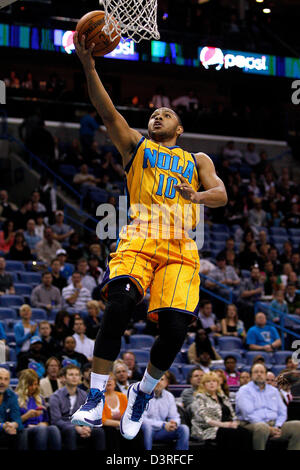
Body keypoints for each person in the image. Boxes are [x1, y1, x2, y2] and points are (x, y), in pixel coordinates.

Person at [71, 32, 227, 441]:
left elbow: (222, 194)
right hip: (140, 234)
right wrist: (89, 66)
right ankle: (94, 396)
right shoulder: (135, 147)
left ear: (180, 126)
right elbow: (107, 113)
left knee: (176, 329)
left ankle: (141, 394)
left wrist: (197, 194)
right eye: (153, 114)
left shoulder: (197, 159)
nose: (157, 116)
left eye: (166, 114)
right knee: (120, 303)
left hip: (180, 245)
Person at [235, 363, 300, 450]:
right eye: (256, 372)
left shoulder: (273, 391)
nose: (259, 374)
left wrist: (278, 426)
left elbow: (282, 412)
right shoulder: (244, 390)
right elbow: (248, 414)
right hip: (250, 424)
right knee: (262, 427)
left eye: (262, 372)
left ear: (265, 375)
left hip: (274, 424)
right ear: (251, 375)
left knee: (297, 426)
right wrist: (269, 428)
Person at [49, 365, 105, 450]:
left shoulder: (84, 395)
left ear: (80, 377)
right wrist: (75, 427)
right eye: (71, 375)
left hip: (82, 426)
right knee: (70, 431)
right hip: (65, 428)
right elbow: (56, 420)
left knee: (99, 431)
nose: (74, 377)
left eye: (76, 375)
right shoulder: (55, 396)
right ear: (64, 378)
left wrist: (87, 427)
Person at [190, 372, 251, 449]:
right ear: (204, 384)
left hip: (226, 426)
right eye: (208, 381)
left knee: (245, 432)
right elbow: (206, 419)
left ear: (218, 383)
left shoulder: (222, 396)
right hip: (208, 429)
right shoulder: (200, 397)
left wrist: (235, 422)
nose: (211, 383)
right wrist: (224, 425)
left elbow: (233, 414)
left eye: (214, 381)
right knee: (231, 433)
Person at [15, 369, 61, 450]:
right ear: (24, 384)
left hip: (39, 427)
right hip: (25, 429)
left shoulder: (39, 398)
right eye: (30, 385)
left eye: (35, 384)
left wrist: (44, 424)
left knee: (53, 429)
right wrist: (27, 416)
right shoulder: (15, 398)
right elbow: (13, 422)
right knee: (41, 429)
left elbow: (46, 421)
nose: (33, 387)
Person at [142, 373, 189, 450]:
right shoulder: (142, 395)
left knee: (184, 429)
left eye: (161, 379)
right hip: (145, 431)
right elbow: (142, 420)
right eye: (155, 379)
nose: (158, 382)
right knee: (147, 427)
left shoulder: (169, 396)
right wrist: (163, 425)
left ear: (166, 383)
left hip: (162, 432)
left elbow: (175, 416)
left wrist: (174, 423)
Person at [0, 367, 24, 450]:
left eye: (6, 379)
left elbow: (17, 418)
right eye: (0, 378)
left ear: (9, 382)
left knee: (19, 432)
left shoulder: (12, 395)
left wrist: (13, 425)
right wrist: (3, 426)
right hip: (3, 429)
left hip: (6, 431)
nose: (2, 382)